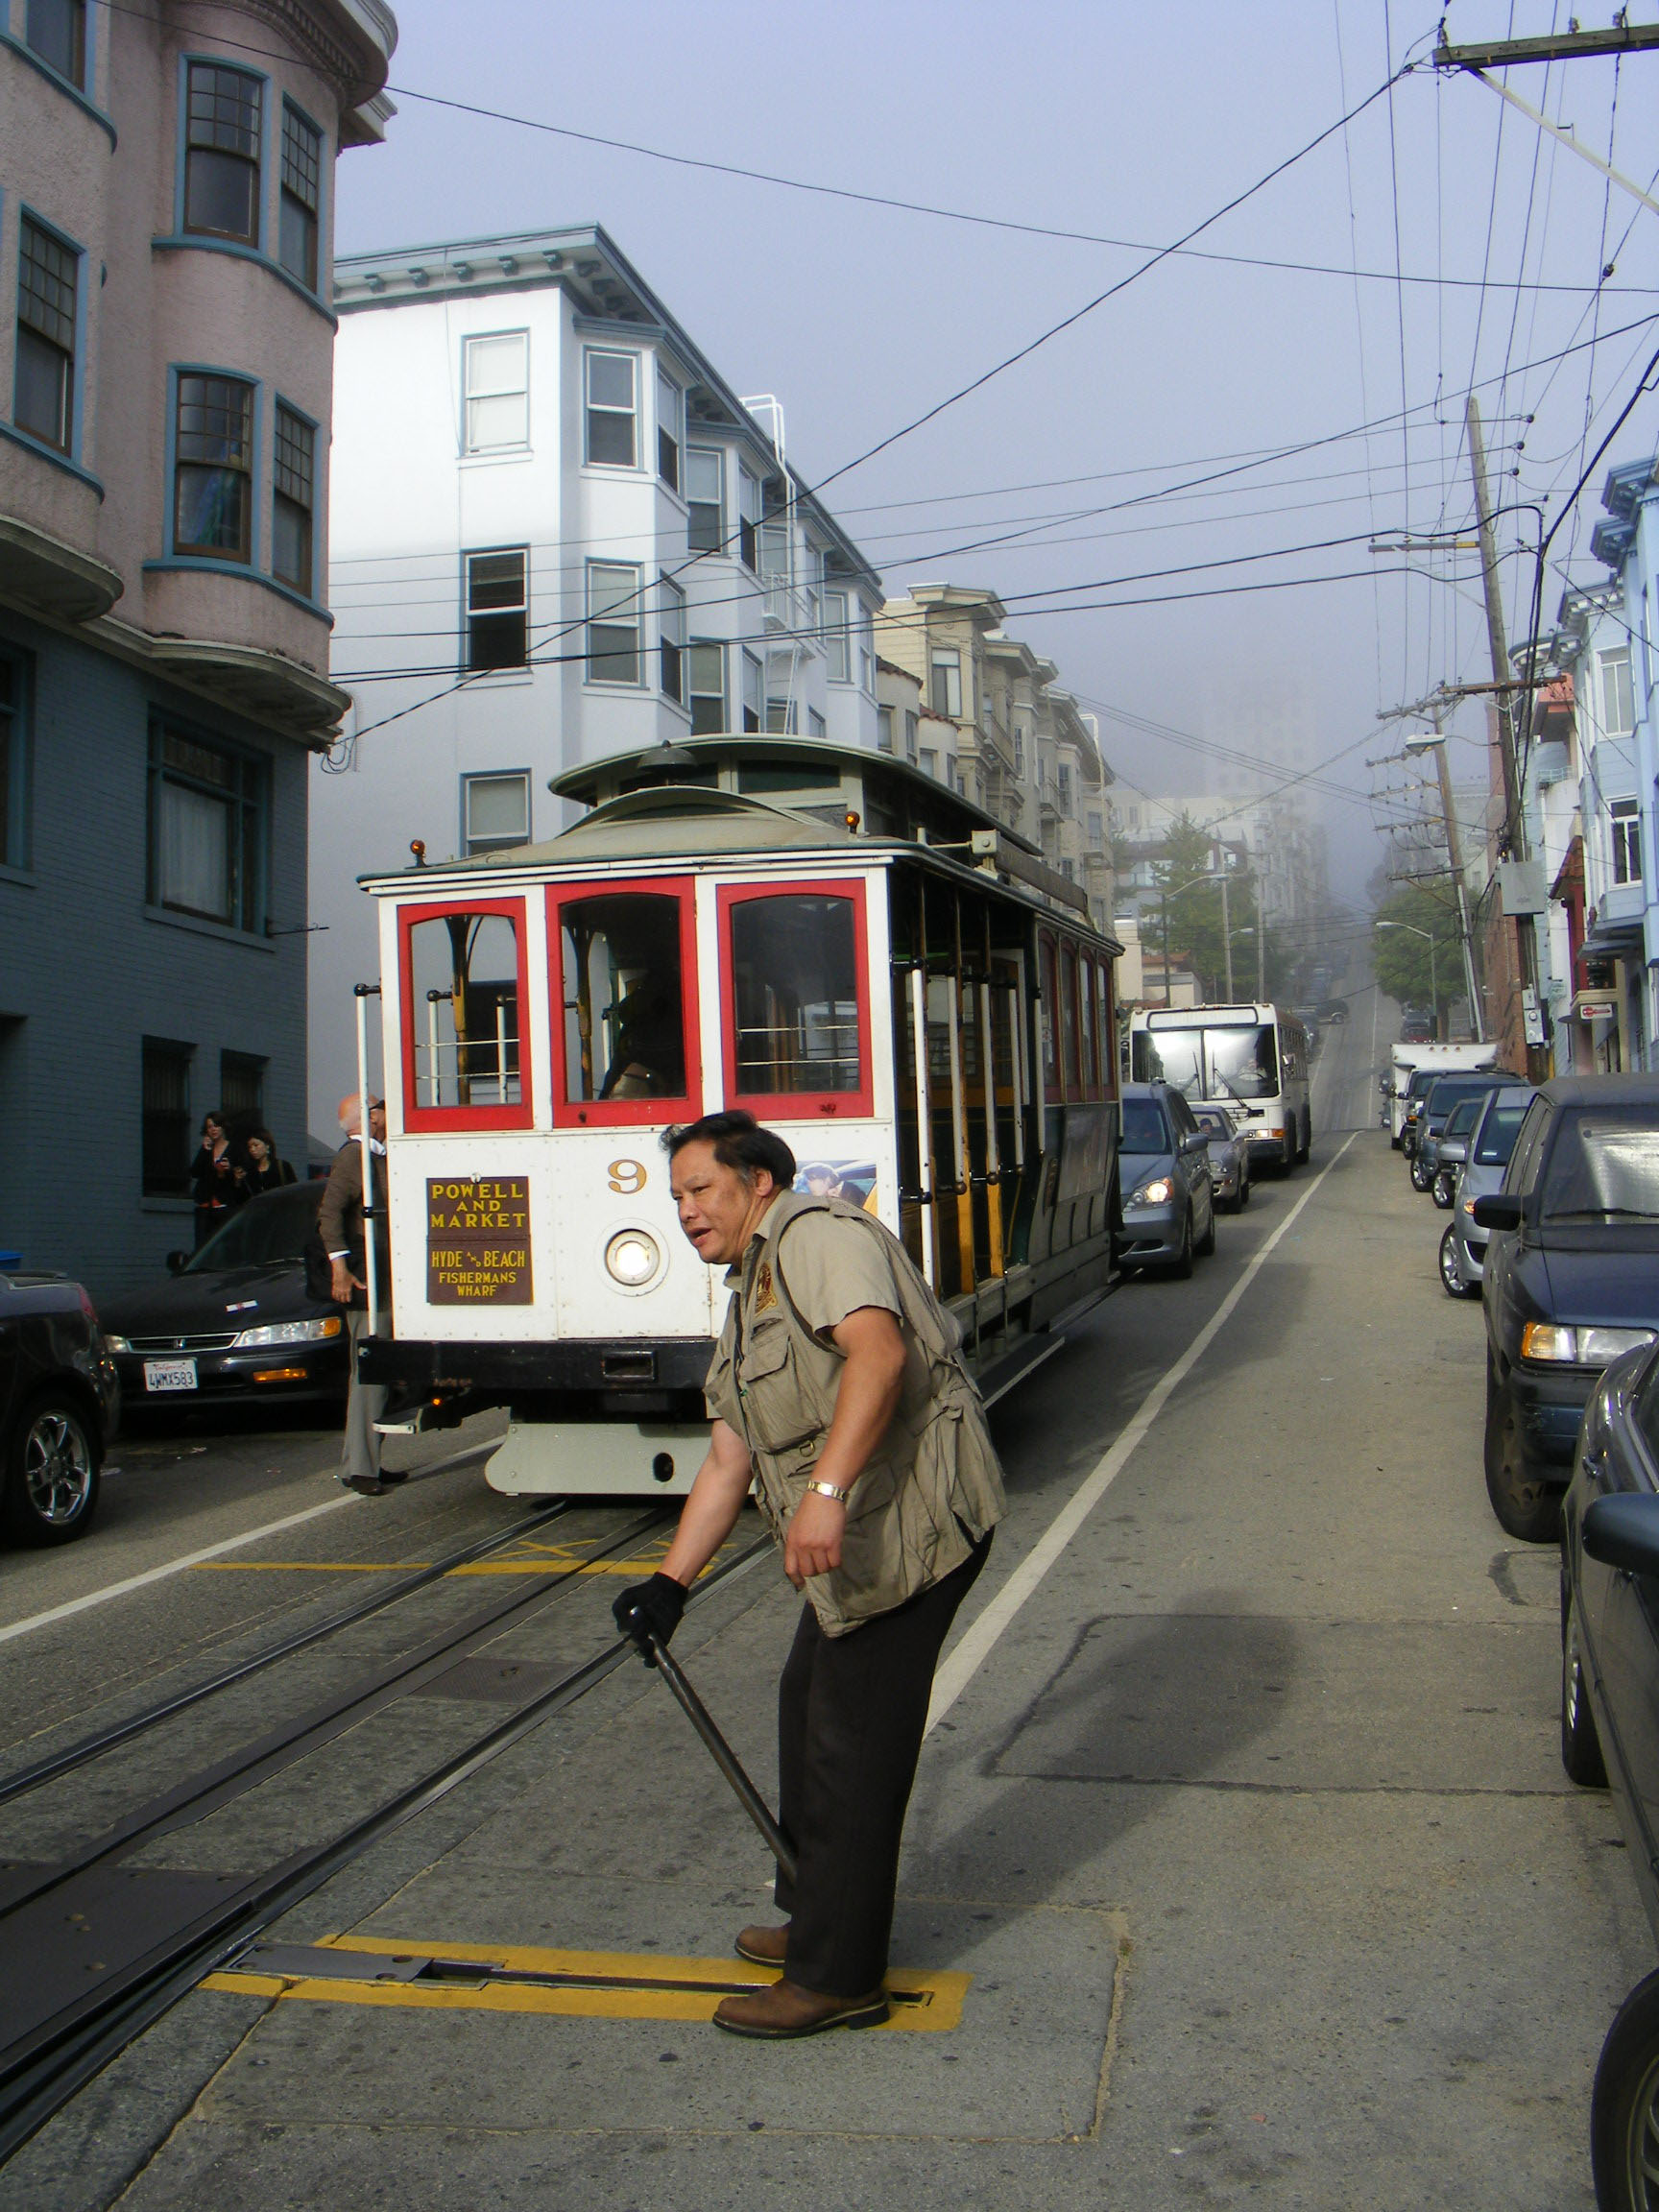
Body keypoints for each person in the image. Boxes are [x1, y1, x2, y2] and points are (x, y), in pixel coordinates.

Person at [613, 1109, 1005, 2041]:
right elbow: (730, 1456)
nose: (686, 1211)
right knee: (806, 1704)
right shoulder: (749, 1285)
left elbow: (880, 1355)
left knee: (851, 1742)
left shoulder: (817, 1238)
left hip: (913, 1522)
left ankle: (838, 1976)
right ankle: (816, 1911)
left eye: (701, 1189)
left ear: (758, 1182)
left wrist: (824, 1494)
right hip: (863, 1529)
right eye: (676, 1196)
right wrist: (670, 1585)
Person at [318, 1094, 396, 1497]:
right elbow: (329, 1213)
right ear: (368, 1118)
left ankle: (364, 1462)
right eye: (379, 1107)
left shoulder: (377, 1155)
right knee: (370, 1373)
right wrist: (340, 1267)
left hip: (381, 1280)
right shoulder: (353, 1158)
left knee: (376, 1373)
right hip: (369, 1283)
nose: (385, 1112)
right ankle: (361, 1468)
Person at [188, 1111, 235, 1248]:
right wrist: (205, 1150)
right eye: (209, 1127)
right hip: (205, 1206)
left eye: (216, 1125)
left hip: (225, 1206)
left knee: (224, 1246)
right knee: (203, 1245)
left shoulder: (234, 1148)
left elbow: (242, 1172)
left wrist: (229, 1169)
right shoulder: (206, 1150)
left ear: (223, 1126)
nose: (213, 1129)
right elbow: (195, 1172)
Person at [233, 1126, 297, 1202]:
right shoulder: (249, 1171)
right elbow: (242, 1198)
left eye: (256, 1145)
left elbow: (294, 1191)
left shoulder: (282, 1166)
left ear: (267, 1145)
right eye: (250, 1147)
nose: (252, 1150)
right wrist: (238, 1181)